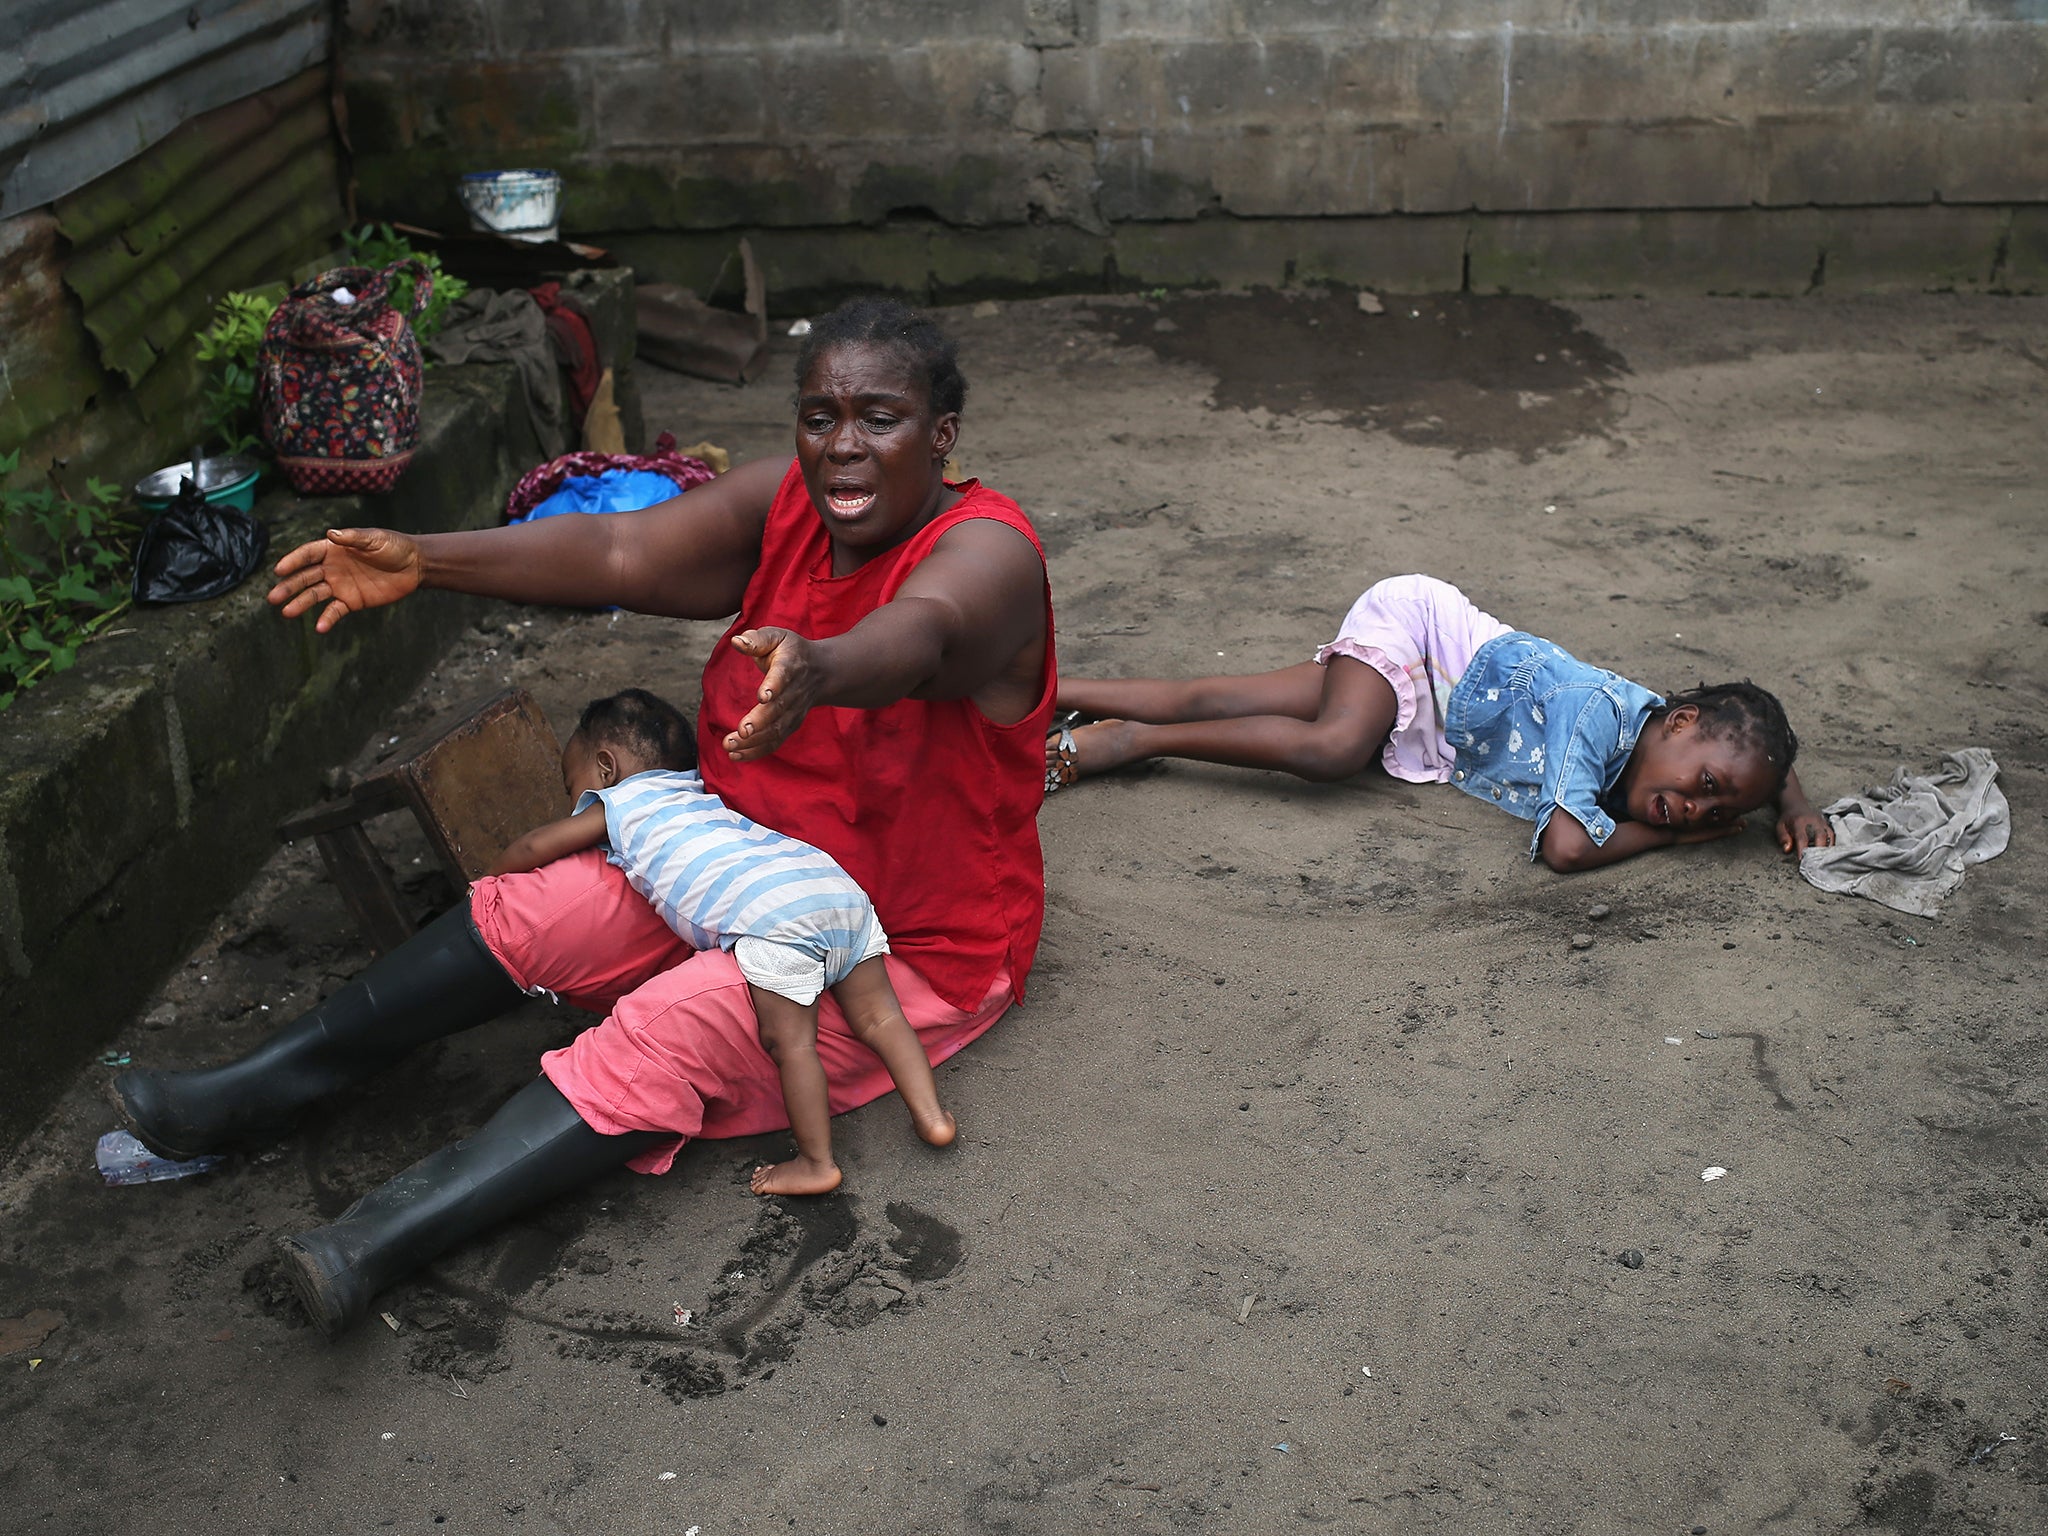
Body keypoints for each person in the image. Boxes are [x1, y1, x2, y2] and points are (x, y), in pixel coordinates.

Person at [114, 297, 1053, 1337]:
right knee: (538, 907)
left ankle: (365, 1246)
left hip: (900, 939)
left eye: (879, 418)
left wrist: (822, 665)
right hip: (743, 858)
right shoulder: (788, 504)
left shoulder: (990, 556)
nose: (842, 445)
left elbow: (922, 632)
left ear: (941, 436)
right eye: (818, 413)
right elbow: (618, 554)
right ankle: (249, 1095)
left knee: (673, 1024)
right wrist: (427, 559)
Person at [490, 686, 956, 1197]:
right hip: (830, 886)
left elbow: (535, 844)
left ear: (605, 769)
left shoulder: (622, 802)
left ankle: (816, 1162)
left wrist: (492, 880)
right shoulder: (696, 792)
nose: (572, 800)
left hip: (773, 918)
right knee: (882, 1017)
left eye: (570, 783)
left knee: (793, 1045)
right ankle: (932, 1117)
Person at [1044, 573, 1833, 872]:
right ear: (1678, 719)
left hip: (1427, 708)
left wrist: (1790, 803)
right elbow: (1565, 848)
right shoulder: (1596, 719)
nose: (1699, 807)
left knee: (1221, 699)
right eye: (1703, 788)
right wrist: (1681, 837)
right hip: (1420, 635)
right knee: (1331, 748)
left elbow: (1753, 755)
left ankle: (1048, 689)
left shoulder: (1683, 741)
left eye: (1719, 810)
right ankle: (1132, 740)